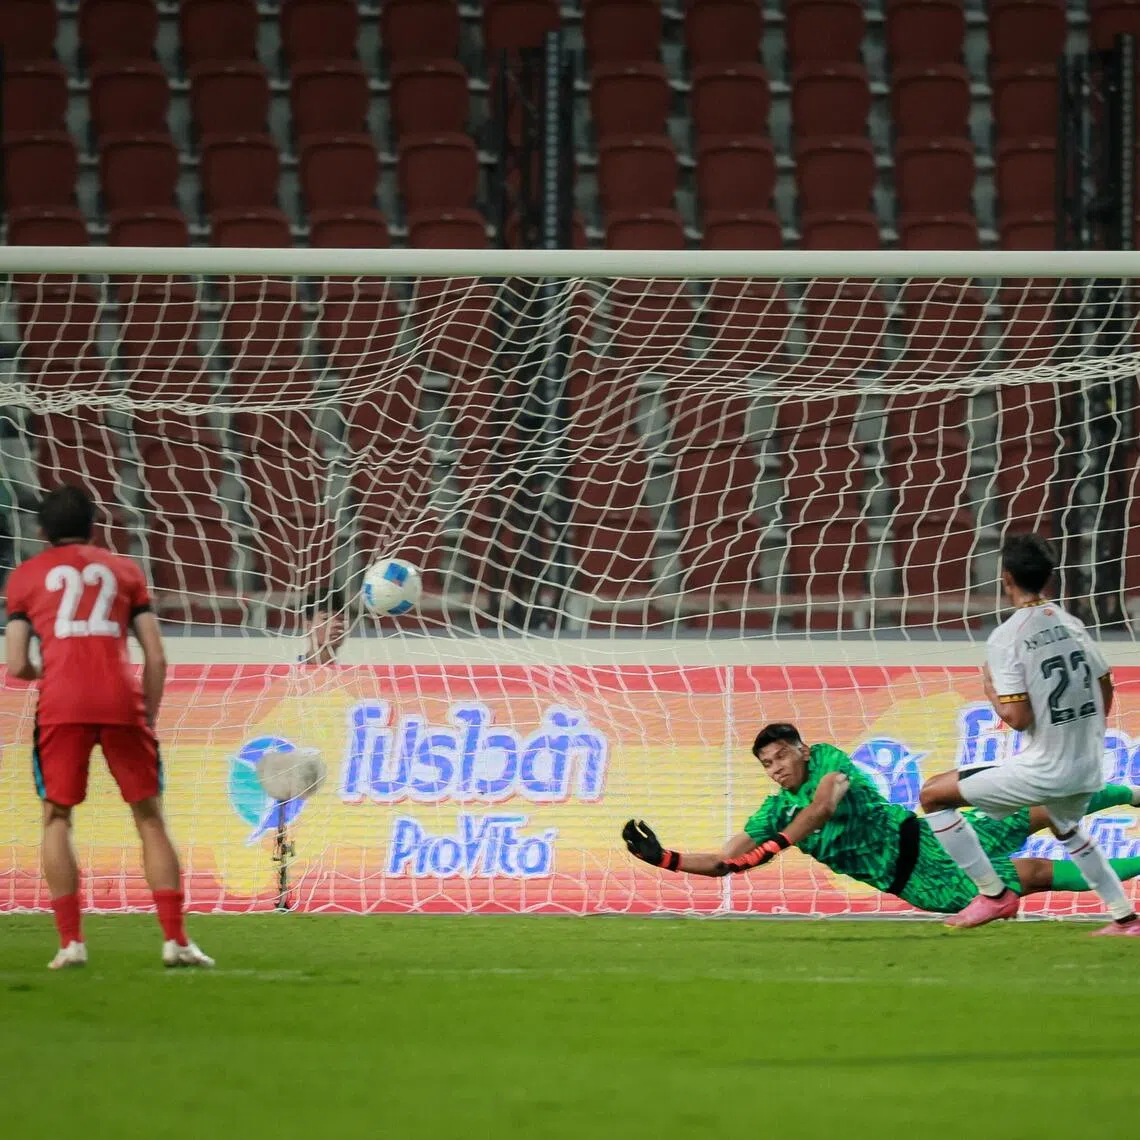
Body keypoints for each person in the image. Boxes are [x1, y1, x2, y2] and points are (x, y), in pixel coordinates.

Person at [622, 722, 1140, 917]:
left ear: (801, 749)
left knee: (1041, 811)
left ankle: (1133, 793)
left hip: (929, 832)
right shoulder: (772, 812)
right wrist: (665, 859)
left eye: (780, 756)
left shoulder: (828, 763)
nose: (776, 769)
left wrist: (773, 847)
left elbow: (822, 808)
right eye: (767, 765)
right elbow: (723, 860)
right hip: (918, 880)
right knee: (1036, 875)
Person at [4, 485, 213, 969]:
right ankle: (176, 941)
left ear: (40, 531)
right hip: (122, 700)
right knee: (149, 817)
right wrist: (150, 712)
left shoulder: (25, 578)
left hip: (62, 703)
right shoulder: (125, 571)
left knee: (57, 817)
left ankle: (71, 943)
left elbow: (15, 663)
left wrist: (49, 673)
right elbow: (156, 655)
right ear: (95, 526)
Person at [918, 533, 1140, 935]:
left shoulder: (1007, 637)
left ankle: (993, 894)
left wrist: (990, 691)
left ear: (1006, 578)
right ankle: (1126, 919)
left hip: (1046, 768)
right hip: (1086, 763)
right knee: (1067, 830)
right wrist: (1089, 731)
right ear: (1049, 577)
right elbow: (1105, 682)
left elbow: (1017, 718)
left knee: (932, 796)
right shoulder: (1070, 624)